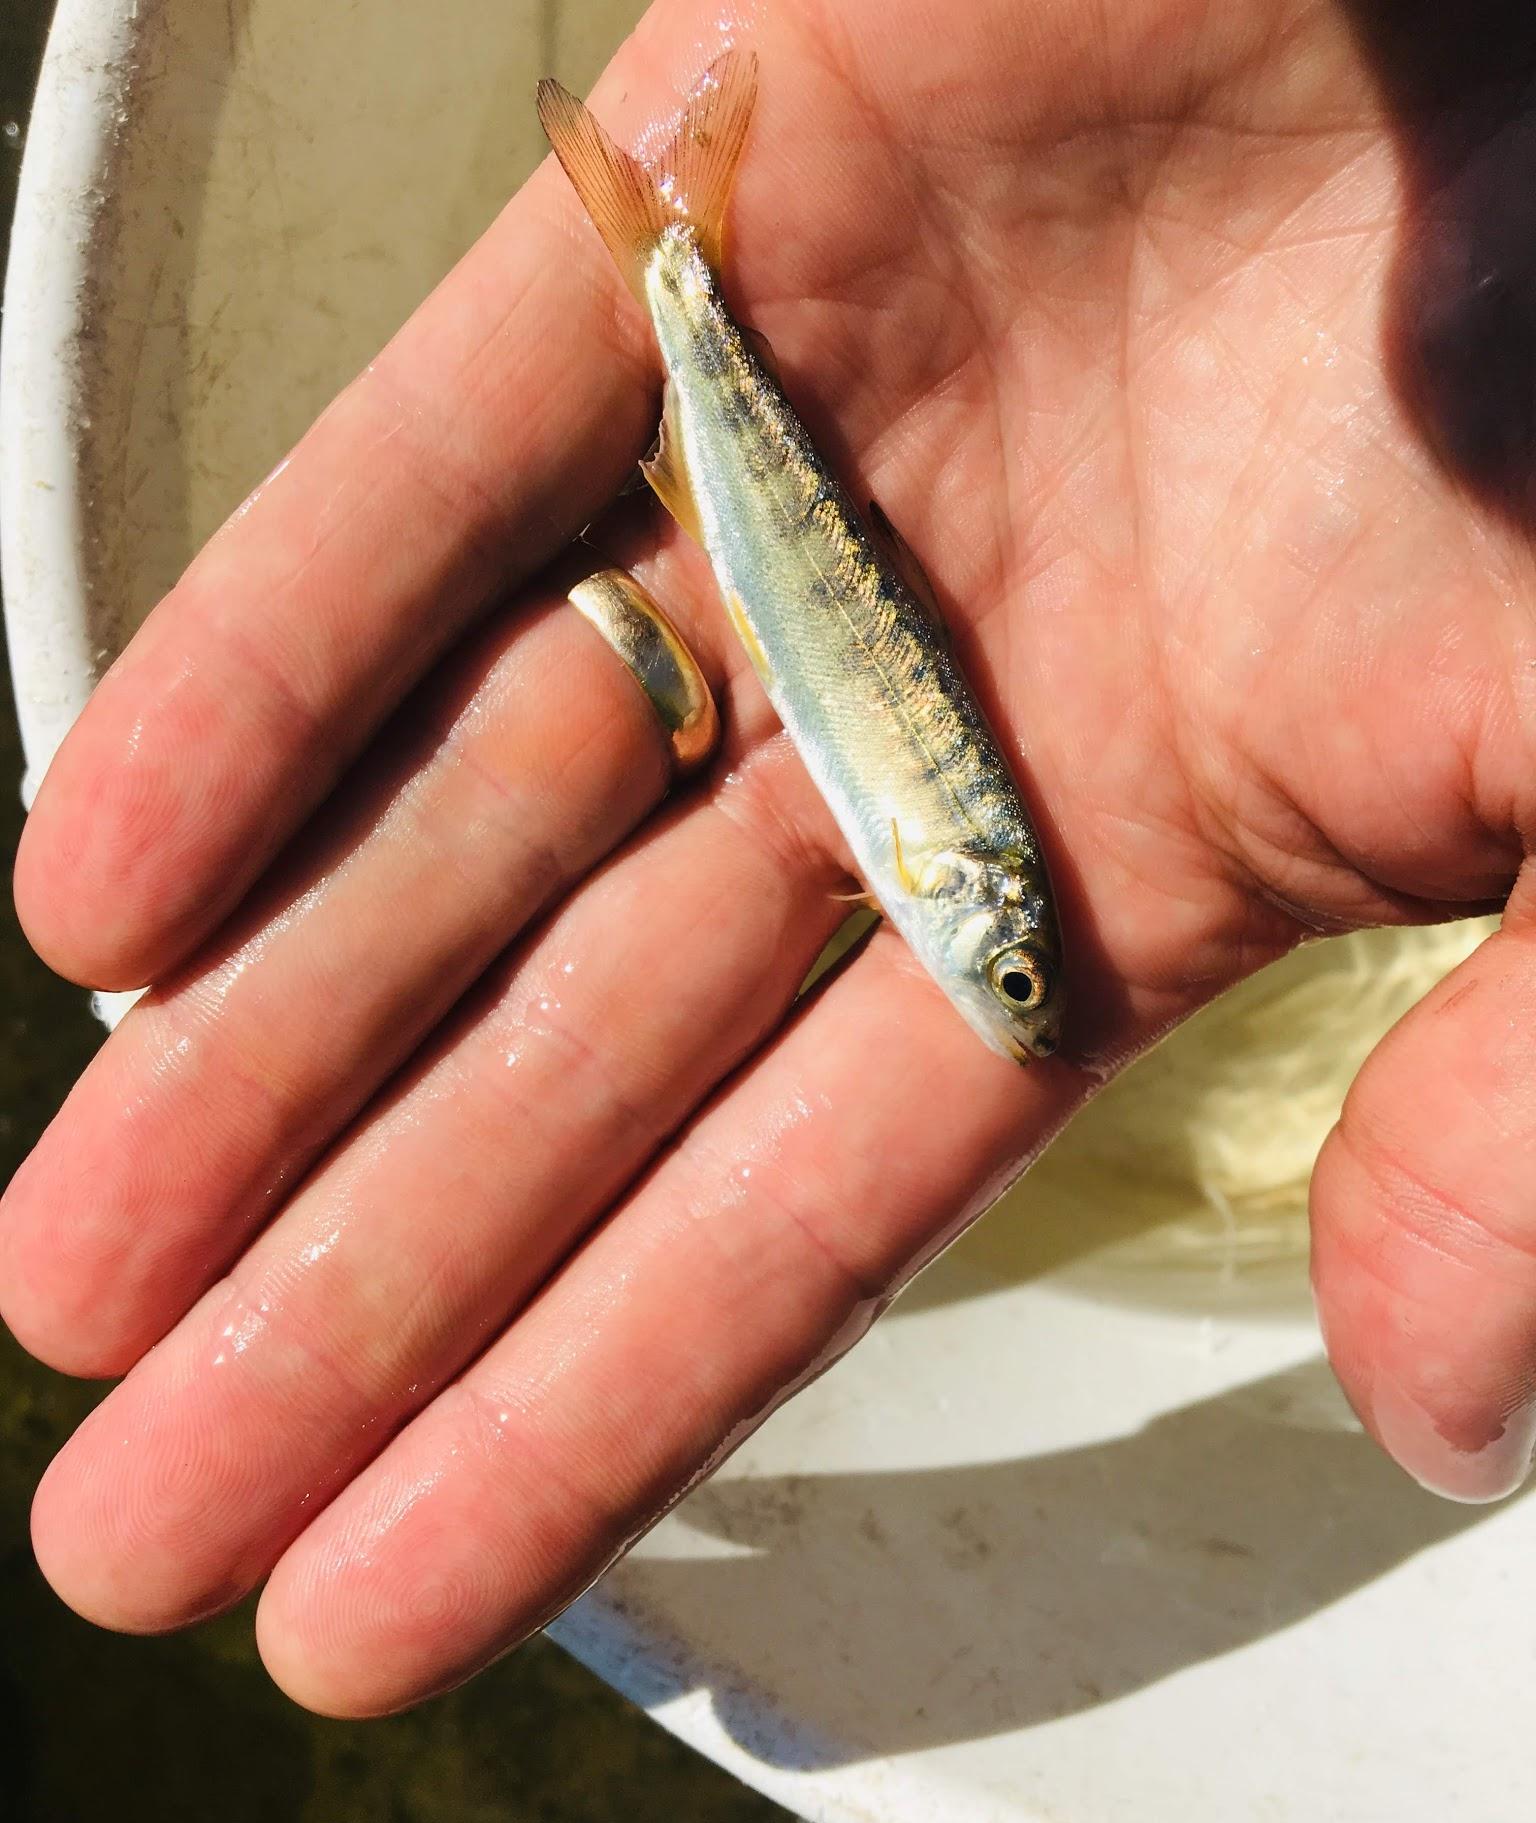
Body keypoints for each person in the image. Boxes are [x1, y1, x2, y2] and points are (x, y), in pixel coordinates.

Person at [3, 0, 1534, 1716]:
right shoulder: (954, 867)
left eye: (1022, 980)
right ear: (959, 910)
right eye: (1010, 974)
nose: (1016, 1000)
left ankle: (669, 251)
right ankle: (670, 254)